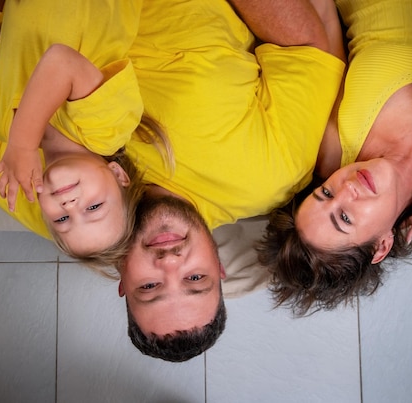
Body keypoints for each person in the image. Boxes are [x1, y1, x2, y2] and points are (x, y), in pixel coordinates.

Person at [116, 0, 346, 361]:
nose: (170, 261)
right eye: (195, 279)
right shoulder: (270, 178)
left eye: (149, 286)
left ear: (122, 282)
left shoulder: (63, 206)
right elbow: (304, 48)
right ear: (220, 268)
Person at [257, 0, 412, 316]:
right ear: (381, 245)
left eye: (325, 193)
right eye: (345, 217)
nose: (346, 188)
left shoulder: (332, 149)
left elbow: (323, 17)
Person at [0, 0, 169, 267]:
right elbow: (60, 61)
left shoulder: (1, 125)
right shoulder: (105, 131)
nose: (70, 205)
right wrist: (22, 146)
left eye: (62, 220)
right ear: (117, 175)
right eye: (94, 207)